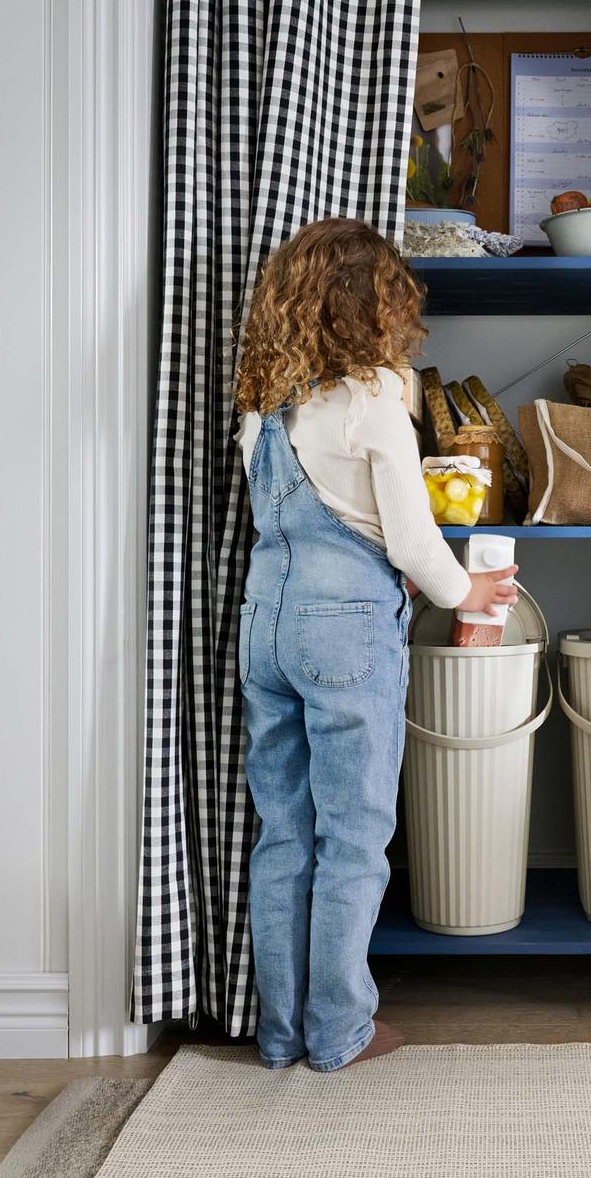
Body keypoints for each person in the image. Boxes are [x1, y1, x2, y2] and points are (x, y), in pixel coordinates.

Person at [234, 217, 517, 1072]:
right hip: (345, 630)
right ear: (374, 309)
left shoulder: (265, 409)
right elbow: (411, 536)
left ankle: (279, 1033)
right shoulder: (374, 405)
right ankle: (338, 1032)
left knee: (283, 835)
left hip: (265, 626)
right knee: (353, 840)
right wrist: (465, 589)